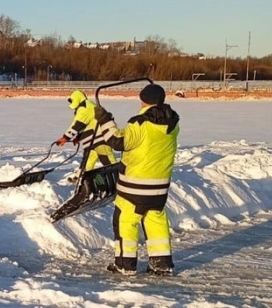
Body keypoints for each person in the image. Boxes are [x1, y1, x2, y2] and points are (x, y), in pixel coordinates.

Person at [91, 83, 180, 276]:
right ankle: (161, 264)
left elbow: (118, 141)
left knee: (125, 220)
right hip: (159, 188)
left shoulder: (139, 123)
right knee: (155, 221)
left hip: (134, 187)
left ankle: (125, 264)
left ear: (143, 100)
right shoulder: (172, 124)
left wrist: (105, 120)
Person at [55, 90, 117, 175]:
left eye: (72, 101)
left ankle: (117, 175)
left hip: (100, 138)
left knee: (107, 159)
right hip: (92, 140)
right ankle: (81, 177)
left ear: (77, 99)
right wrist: (78, 137)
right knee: (87, 161)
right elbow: (85, 125)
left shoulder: (85, 107)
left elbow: (77, 124)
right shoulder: (85, 107)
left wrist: (65, 137)